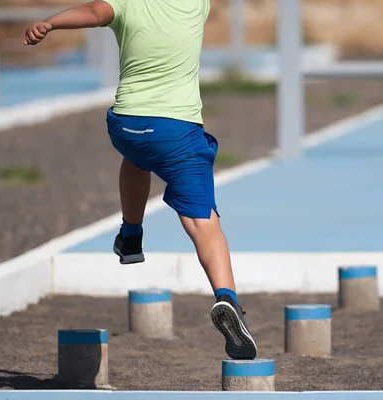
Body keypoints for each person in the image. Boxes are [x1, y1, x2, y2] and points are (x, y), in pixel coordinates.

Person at [23, 0, 257, 360]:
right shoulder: (196, 5)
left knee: (137, 155)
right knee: (202, 221)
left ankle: (130, 236)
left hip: (126, 125)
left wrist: (49, 23)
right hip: (176, 130)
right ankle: (227, 299)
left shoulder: (126, 2)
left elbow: (90, 13)